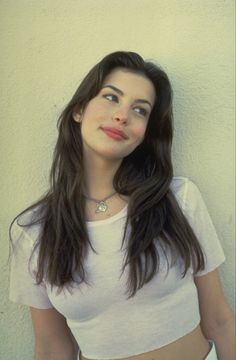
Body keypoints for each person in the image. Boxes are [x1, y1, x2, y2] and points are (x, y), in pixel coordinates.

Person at [9, 51, 235, 360]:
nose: (122, 115)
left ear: (145, 134)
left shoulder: (178, 199)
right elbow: (52, 349)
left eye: (140, 110)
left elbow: (220, 320)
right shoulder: (34, 231)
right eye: (111, 97)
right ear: (79, 110)